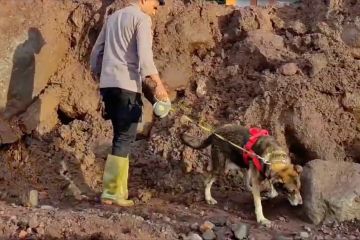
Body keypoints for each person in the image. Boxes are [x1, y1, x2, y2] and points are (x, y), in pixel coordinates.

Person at [90, 0, 171, 207]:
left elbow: (95, 55)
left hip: (108, 86)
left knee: (120, 136)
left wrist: (105, 73)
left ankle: (119, 191)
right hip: (127, 87)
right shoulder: (141, 19)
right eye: (156, 2)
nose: (158, 6)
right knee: (125, 138)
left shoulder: (112, 18)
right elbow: (145, 58)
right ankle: (111, 193)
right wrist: (159, 85)